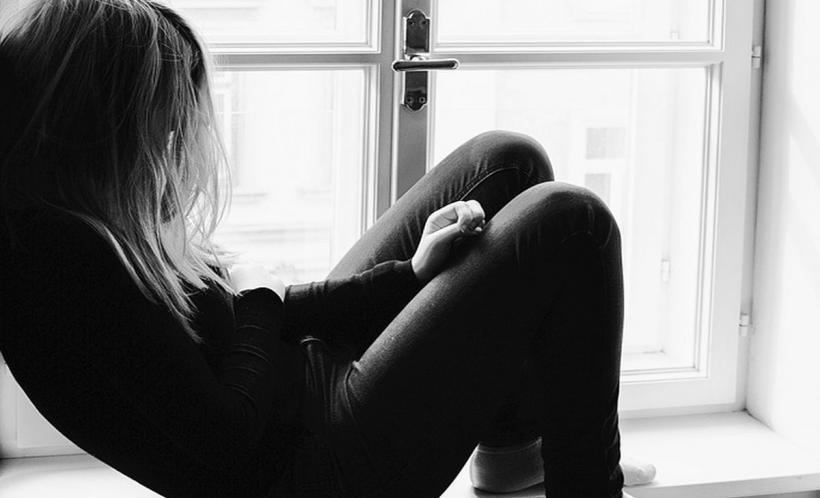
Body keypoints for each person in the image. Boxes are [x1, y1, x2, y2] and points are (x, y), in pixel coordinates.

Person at [0, 1, 625, 496]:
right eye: (162, 130)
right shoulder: (60, 263)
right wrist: (261, 299)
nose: (173, 148)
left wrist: (408, 276)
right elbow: (225, 436)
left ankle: (511, 451)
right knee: (572, 222)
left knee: (505, 161)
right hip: (319, 469)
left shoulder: (80, 216)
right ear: (99, 130)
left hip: (306, 387)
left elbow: (236, 325)